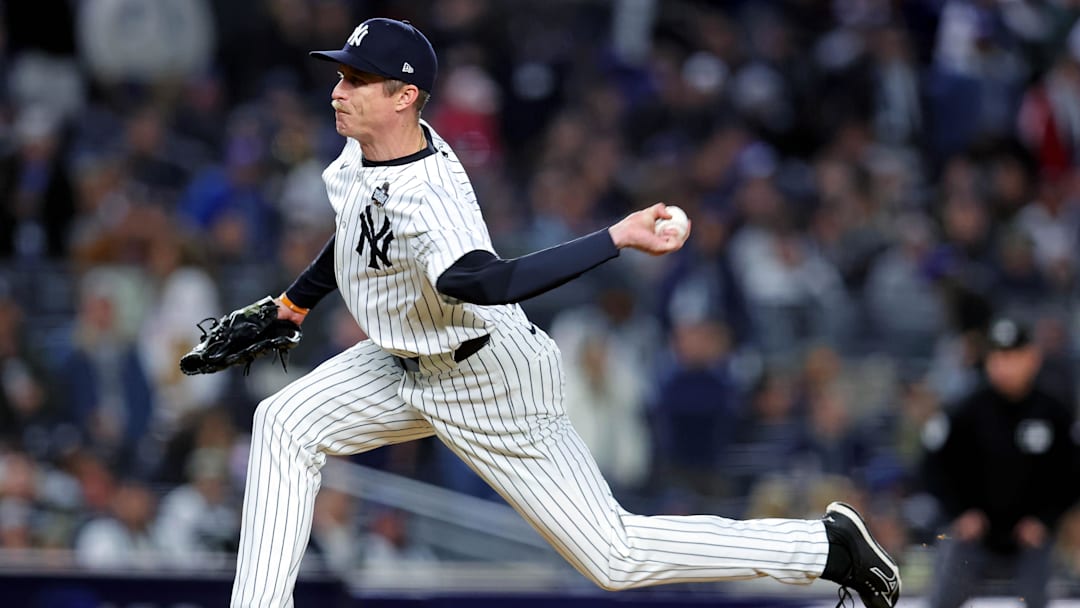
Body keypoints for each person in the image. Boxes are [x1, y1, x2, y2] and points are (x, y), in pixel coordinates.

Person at [227, 18, 900, 608]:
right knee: (284, 422)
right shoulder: (363, 149)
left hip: (485, 377)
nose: (338, 90)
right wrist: (292, 304)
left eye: (357, 79)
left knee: (614, 555)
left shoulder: (430, 194)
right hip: (404, 360)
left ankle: (824, 549)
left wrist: (615, 237)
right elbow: (355, 232)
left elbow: (487, 283)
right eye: (341, 74)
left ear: (404, 98)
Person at [921, 317, 1080, 608]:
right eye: (997, 356)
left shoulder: (1053, 412)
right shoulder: (966, 410)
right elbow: (933, 466)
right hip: (974, 533)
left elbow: (1072, 474)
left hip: (1030, 536)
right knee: (943, 595)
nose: (1004, 366)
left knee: (1039, 596)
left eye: (1012, 356)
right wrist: (960, 513)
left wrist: (1045, 520)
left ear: (1032, 358)